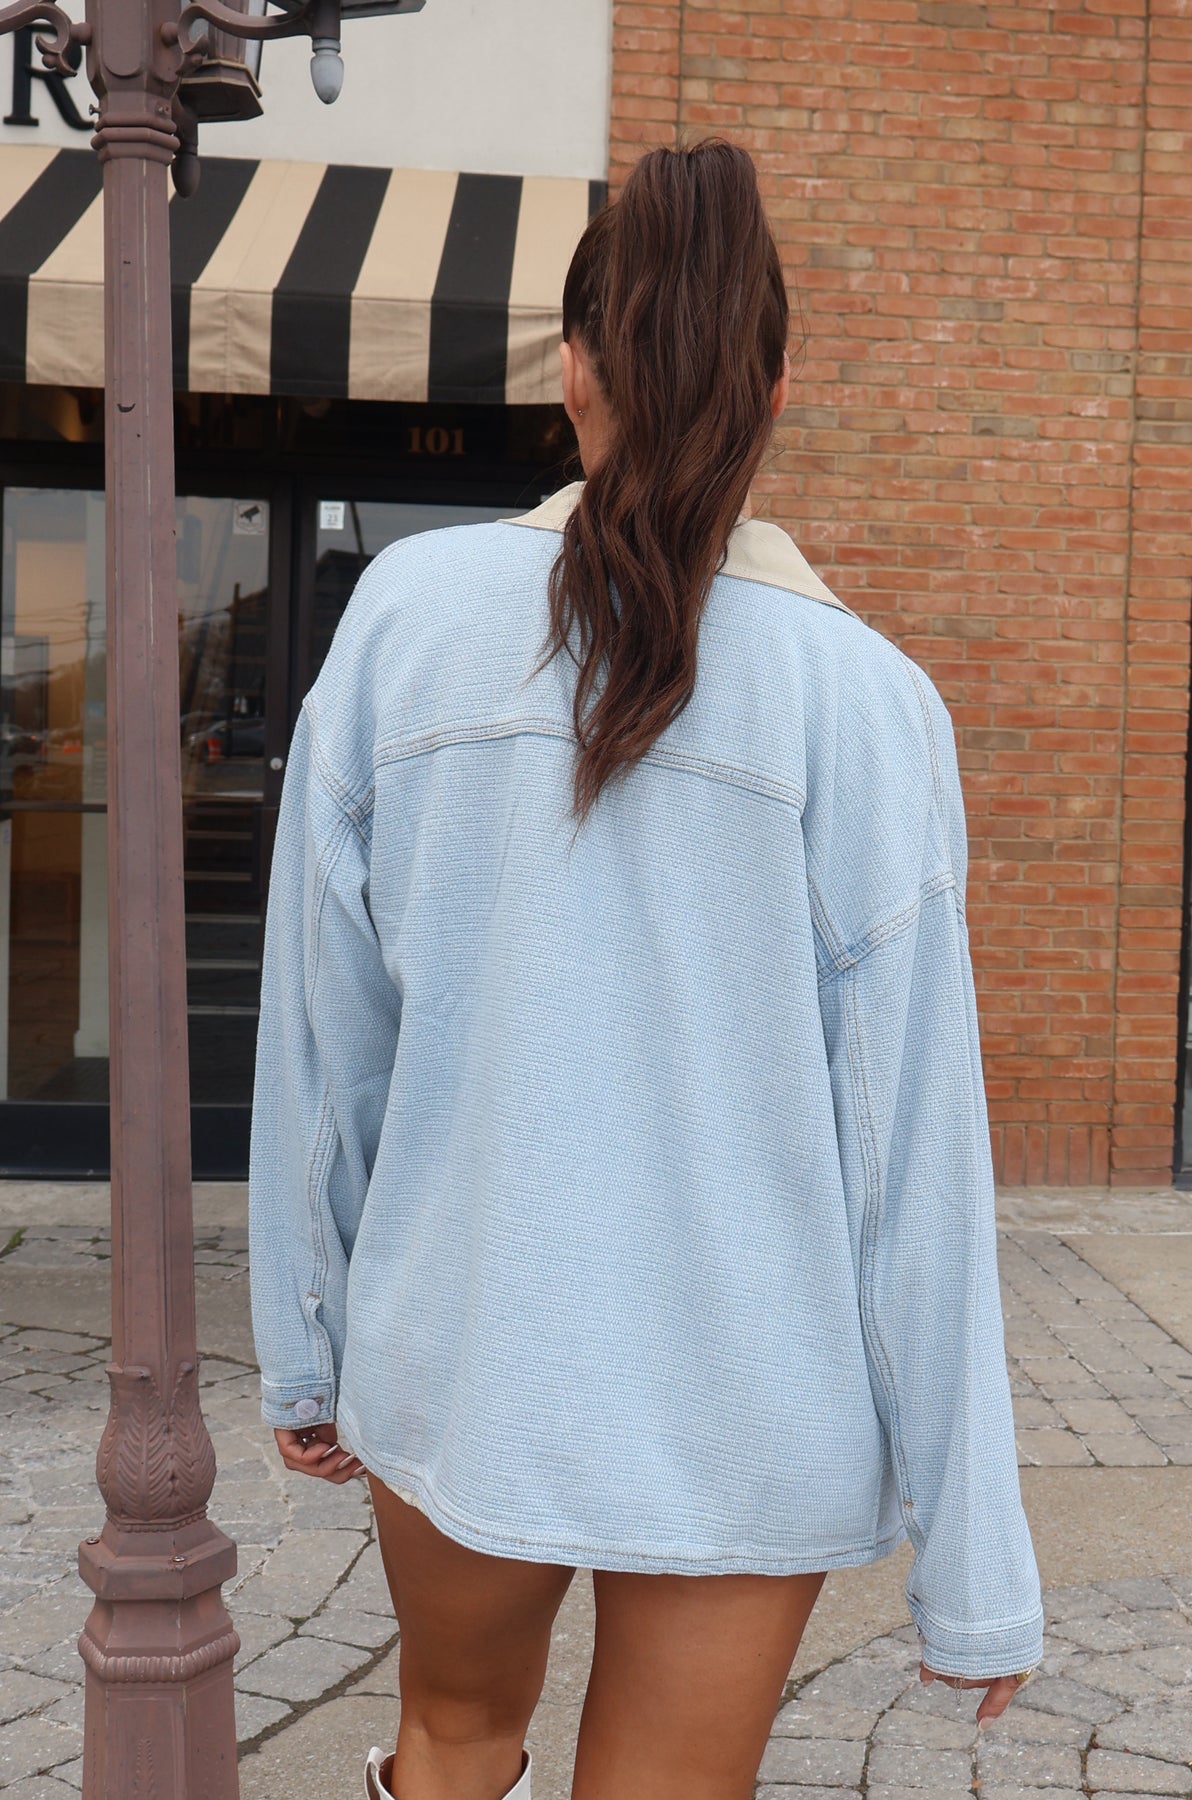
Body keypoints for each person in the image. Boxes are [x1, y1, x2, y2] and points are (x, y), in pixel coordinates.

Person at [248, 138, 1043, 1800]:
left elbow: (328, 1049)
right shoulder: (868, 703)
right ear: (769, 394)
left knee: (451, 1747)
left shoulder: (405, 619)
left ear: (573, 370)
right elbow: (916, 1164)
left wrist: (310, 1339)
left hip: (462, 1355)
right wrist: (976, 1574)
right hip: (752, 1393)